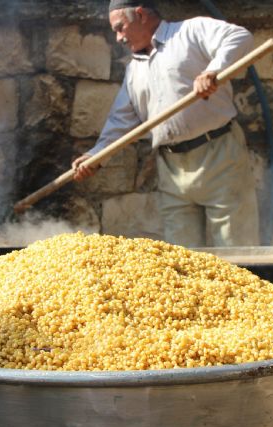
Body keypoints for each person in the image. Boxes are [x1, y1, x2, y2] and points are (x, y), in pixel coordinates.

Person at [72, 0, 259, 247]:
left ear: (140, 15)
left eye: (120, 28)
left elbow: (239, 36)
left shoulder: (190, 31)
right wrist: (97, 155)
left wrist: (213, 71)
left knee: (237, 249)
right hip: (172, 169)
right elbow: (122, 120)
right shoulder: (134, 70)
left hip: (219, 156)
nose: (118, 38)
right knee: (182, 256)